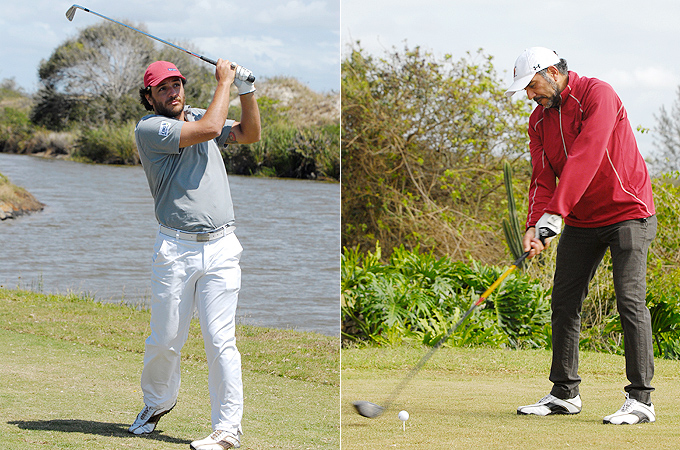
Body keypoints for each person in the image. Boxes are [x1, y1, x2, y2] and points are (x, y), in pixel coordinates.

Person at [505, 47, 657, 425]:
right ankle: (564, 393)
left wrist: (556, 212)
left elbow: (587, 155)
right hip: (583, 220)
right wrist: (533, 224)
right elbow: (542, 177)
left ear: (553, 73)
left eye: (533, 85)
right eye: (525, 90)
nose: (530, 95)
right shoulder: (538, 121)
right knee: (564, 301)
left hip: (628, 212)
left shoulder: (597, 95)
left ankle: (641, 400)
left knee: (629, 301)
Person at [127, 58, 260, 450]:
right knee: (165, 339)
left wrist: (246, 90)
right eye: (163, 88)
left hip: (222, 247)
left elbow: (248, 134)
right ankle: (158, 402)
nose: (173, 92)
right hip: (175, 249)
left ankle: (228, 429)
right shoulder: (150, 128)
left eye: (177, 84)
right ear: (149, 96)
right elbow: (211, 129)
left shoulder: (201, 113)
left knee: (222, 341)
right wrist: (225, 80)